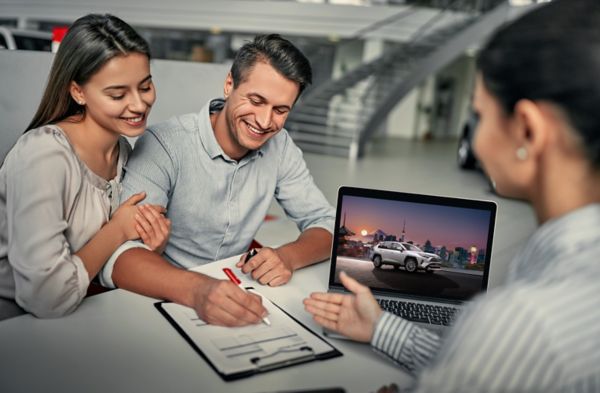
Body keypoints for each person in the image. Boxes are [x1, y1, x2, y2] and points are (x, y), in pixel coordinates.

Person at [304, 1, 600, 391]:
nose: (475, 139)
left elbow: (503, 355)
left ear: (528, 131)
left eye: (479, 115)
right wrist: (380, 327)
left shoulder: (519, 324)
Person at [98, 34, 335, 327]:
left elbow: (325, 223)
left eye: (280, 110)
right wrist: (199, 290)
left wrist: (288, 257)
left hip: (236, 291)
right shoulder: (165, 144)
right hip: (163, 297)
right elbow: (121, 256)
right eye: (256, 100)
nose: (264, 121)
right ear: (229, 85)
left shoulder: (281, 146)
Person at [0, 14, 170, 320]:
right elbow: (45, 297)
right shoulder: (43, 156)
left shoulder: (124, 152)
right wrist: (118, 230)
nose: (139, 105)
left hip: (81, 313)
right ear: (78, 92)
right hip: (16, 323)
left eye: (145, 87)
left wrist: (150, 245)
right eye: (118, 94)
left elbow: (107, 261)